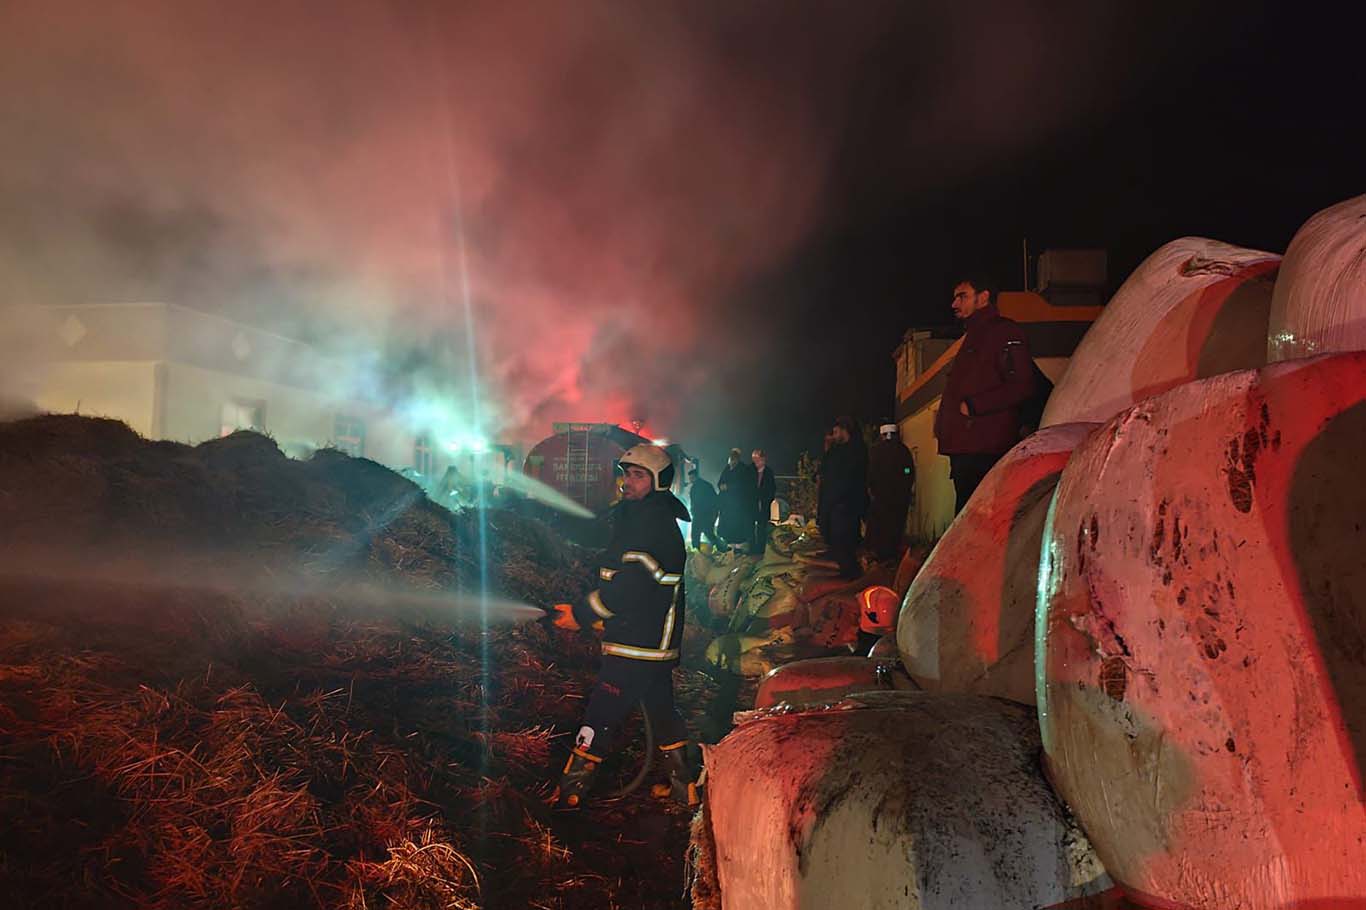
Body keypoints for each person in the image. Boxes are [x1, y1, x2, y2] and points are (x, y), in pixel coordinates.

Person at [549, 444, 700, 810]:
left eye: (638, 476)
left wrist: (583, 613)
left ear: (659, 482)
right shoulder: (639, 517)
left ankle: (569, 795)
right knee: (662, 713)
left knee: (601, 712)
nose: (627, 482)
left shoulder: (653, 525)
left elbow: (631, 585)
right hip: (643, 639)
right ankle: (687, 789)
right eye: (626, 473)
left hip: (640, 643)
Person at [934, 276, 1035, 513]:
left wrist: (974, 405)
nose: (954, 304)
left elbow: (1022, 384)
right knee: (968, 519)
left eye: (963, 296)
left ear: (984, 297)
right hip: (966, 449)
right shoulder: (974, 336)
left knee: (978, 521)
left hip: (983, 449)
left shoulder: (1004, 332)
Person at [817, 416, 868, 579]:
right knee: (840, 544)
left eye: (836, 431)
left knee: (844, 545)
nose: (833, 435)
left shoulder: (852, 451)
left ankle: (851, 579)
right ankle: (847, 575)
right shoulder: (840, 451)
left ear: (845, 430)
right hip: (839, 504)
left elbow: (845, 480)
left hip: (844, 505)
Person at [865, 424, 914, 562]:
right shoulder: (903, 450)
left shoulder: (876, 451)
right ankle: (891, 556)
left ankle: (880, 556)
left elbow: (870, 473)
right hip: (899, 497)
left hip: (881, 496)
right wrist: (905, 485)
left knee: (881, 527)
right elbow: (908, 471)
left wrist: (872, 488)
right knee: (895, 527)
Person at [716, 448, 757, 551]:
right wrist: (721, 486)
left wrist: (729, 487)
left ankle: (739, 546)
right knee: (727, 525)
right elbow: (720, 481)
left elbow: (744, 485)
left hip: (738, 504)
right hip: (726, 505)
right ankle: (729, 544)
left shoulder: (743, 469)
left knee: (737, 525)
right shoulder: (727, 468)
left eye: (734, 457)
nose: (731, 459)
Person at [687, 464, 720, 550]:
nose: (690, 480)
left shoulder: (697, 487)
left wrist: (694, 510)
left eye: (691, 478)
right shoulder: (705, 485)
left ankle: (697, 550)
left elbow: (698, 502)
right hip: (704, 513)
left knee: (696, 534)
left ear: (695, 477)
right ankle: (721, 547)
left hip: (701, 514)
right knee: (707, 532)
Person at [752, 449, 776, 555]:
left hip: (763, 504)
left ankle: (761, 549)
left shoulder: (768, 472)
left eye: (757, 458)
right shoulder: (750, 471)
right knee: (751, 527)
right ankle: (752, 548)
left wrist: (765, 499)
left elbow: (771, 489)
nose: (755, 461)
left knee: (762, 527)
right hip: (752, 504)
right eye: (753, 459)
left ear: (763, 459)